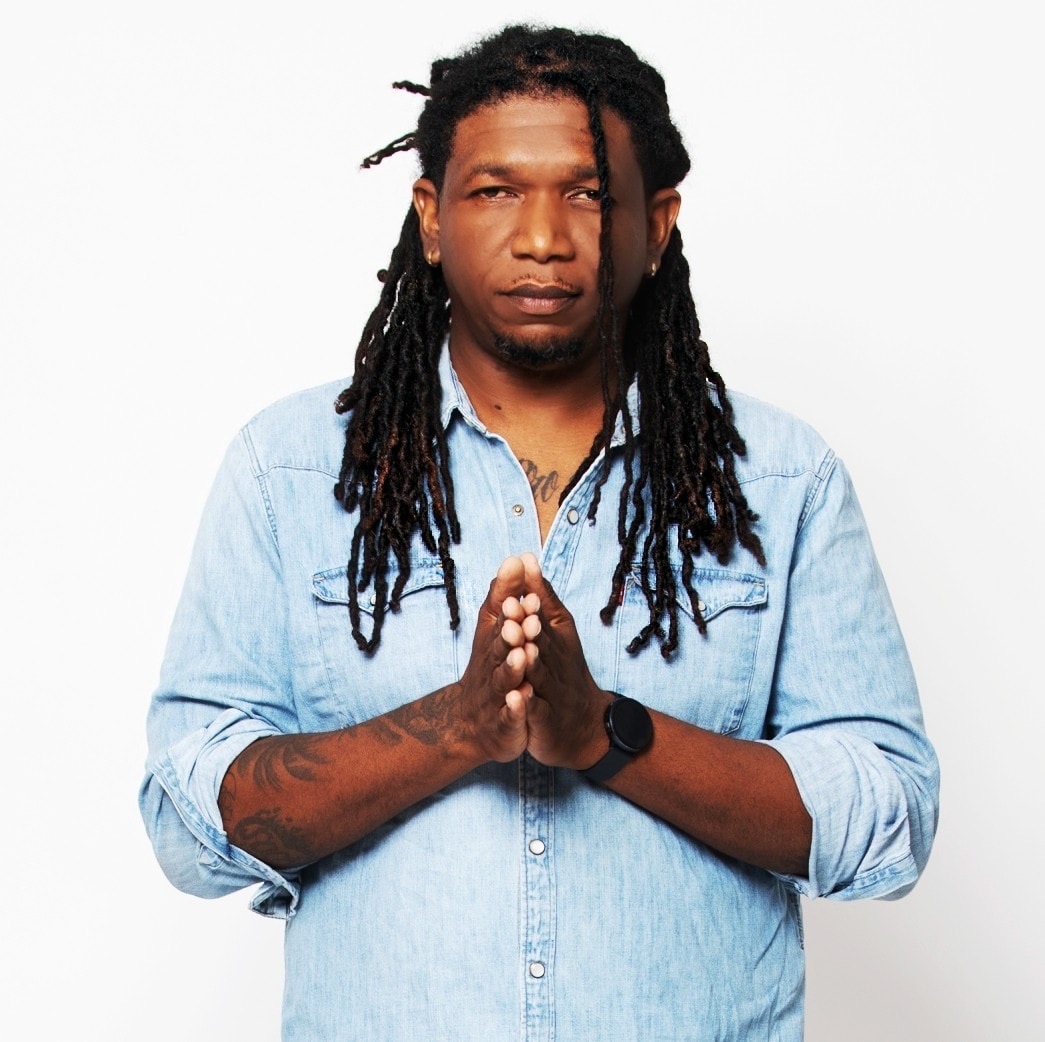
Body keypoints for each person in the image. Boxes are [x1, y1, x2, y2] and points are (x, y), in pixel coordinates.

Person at [140, 24, 939, 1040]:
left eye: (588, 193)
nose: (542, 238)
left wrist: (605, 732)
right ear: (431, 217)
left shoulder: (781, 483)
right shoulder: (287, 474)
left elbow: (889, 822)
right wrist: (456, 725)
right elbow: (191, 824)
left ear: (657, 225)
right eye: (494, 191)